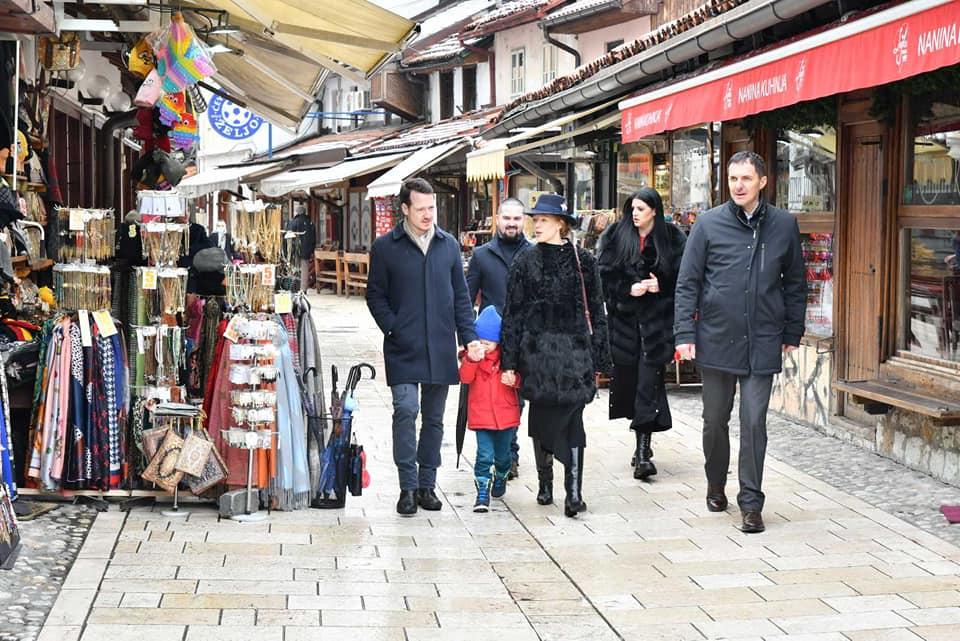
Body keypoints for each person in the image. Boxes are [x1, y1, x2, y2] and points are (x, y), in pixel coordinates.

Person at [674, 150, 807, 534]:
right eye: (733, 179)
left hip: (763, 338)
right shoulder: (708, 224)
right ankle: (716, 483)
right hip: (715, 338)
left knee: (753, 421)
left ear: (762, 181)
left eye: (746, 178)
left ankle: (751, 503)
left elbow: (796, 284)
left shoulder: (784, 225)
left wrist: (791, 332)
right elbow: (688, 284)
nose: (739, 185)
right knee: (714, 420)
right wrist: (684, 334)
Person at [367, 178, 480, 516]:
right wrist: (393, 327)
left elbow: (461, 297)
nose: (428, 214)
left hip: (441, 345)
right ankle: (407, 486)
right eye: (421, 209)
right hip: (403, 346)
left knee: (433, 419)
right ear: (405, 209)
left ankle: (427, 485)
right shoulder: (386, 247)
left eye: (432, 208)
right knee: (405, 411)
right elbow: (375, 295)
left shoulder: (447, 246)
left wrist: (469, 337)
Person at [500, 193, 610, 518]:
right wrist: (508, 362)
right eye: (535, 220)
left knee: (574, 421)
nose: (536, 226)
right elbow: (513, 314)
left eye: (543, 220)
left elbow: (598, 310)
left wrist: (601, 358)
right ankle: (546, 483)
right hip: (537, 356)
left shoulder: (584, 261)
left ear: (561, 224)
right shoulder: (524, 260)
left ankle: (573, 492)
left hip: (575, 356)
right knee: (542, 420)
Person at [598, 187, 686, 481]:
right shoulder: (615, 236)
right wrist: (627, 289)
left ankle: (643, 451)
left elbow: (684, 282)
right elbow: (603, 279)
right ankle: (641, 447)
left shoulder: (672, 240)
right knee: (633, 384)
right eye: (632, 208)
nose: (634, 214)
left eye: (641, 209)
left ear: (654, 211)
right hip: (624, 327)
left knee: (648, 383)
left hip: (656, 326)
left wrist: (659, 286)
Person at [466, 197, 531, 478]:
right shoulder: (482, 255)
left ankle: (509, 452)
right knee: (490, 395)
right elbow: (466, 297)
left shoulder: (532, 252)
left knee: (516, 395)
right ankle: (495, 451)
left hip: (523, 337)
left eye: (517, 219)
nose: (512, 224)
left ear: (523, 221)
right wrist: (466, 335)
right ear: (498, 219)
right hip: (490, 340)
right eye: (507, 218)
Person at [459, 306, 521, 513]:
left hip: (506, 416)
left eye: (489, 342)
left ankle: (501, 475)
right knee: (484, 455)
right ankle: (482, 492)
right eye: (481, 341)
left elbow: (522, 380)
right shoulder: (473, 358)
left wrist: (514, 380)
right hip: (482, 416)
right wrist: (470, 359)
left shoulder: (508, 360)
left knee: (503, 456)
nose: (485, 346)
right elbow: (465, 378)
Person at [286, 204, 316, 292]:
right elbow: (314, 238)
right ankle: (303, 289)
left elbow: (288, 237)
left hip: (294, 250)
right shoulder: (310, 223)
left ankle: (293, 287)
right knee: (304, 269)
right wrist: (311, 250)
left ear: (297, 212)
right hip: (306, 250)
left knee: (293, 267)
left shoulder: (292, 222)